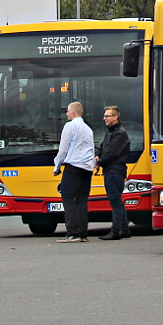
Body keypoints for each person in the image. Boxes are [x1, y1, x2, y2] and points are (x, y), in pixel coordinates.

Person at [53, 101, 96, 242]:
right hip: (87, 167)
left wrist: (57, 166)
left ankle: (72, 232)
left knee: (68, 196)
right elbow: (91, 149)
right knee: (82, 199)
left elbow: (63, 148)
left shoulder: (70, 126)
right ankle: (83, 233)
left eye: (67, 111)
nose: (66, 113)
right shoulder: (88, 129)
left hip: (73, 166)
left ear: (73, 112)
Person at [96, 105, 131, 240]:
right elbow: (103, 147)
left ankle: (115, 231)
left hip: (115, 170)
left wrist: (99, 161)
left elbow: (112, 152)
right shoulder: (111, 132)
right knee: (117, 200)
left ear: (116, 117)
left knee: (115, 200)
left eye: (107, 116)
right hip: (111, 170)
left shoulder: (120, 133)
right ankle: (125, 229)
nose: (104, 118)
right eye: (104, 116)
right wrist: (98, 156)